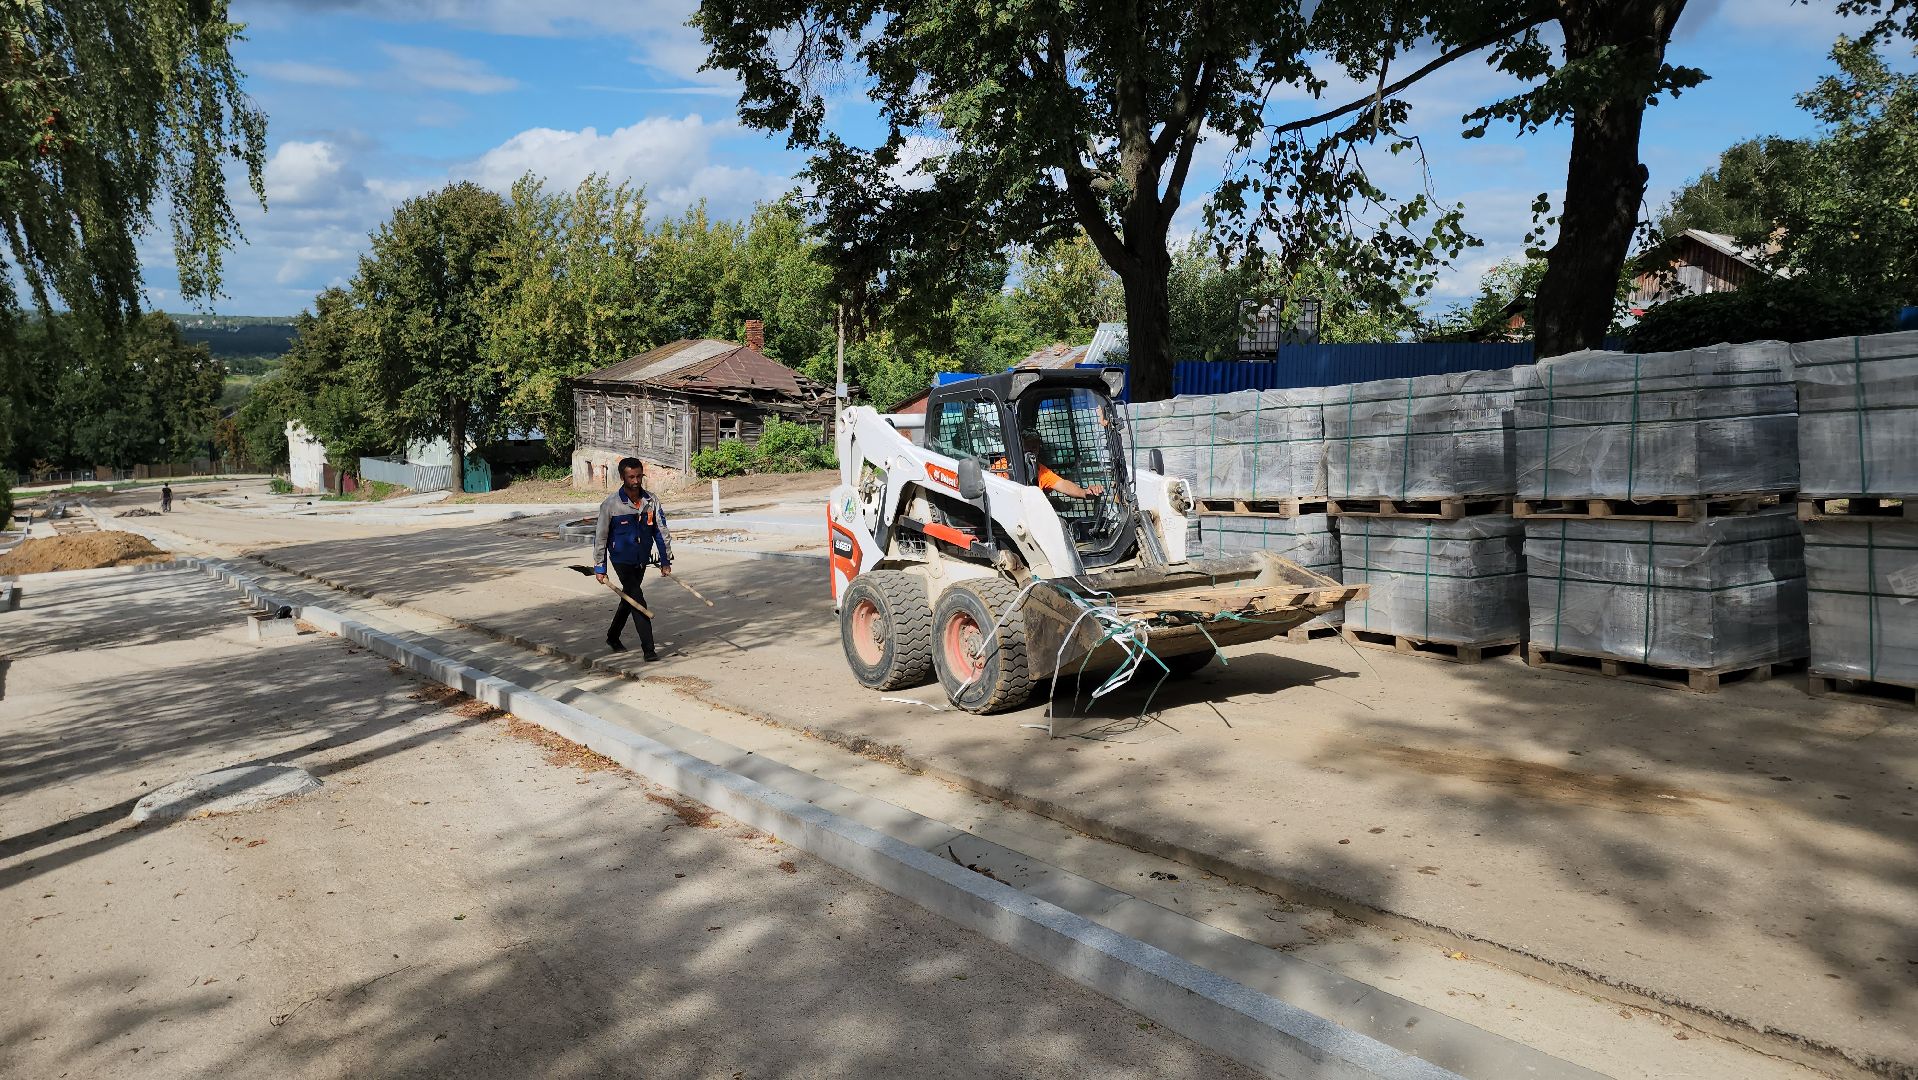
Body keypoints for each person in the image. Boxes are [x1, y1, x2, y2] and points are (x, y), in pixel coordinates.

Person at [592, 457, 672, 660]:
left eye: (638, 476)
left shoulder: (651, 501)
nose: (636, 481)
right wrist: (600, 567)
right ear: (622, 477)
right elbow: (601, 537)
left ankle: (612, 636)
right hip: (621, 560)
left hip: (642, 559)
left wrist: (665, 561)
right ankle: (649, 650)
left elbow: (661, 531)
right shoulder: (610, 505)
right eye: (631, 477)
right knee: (637, 599)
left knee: (628, 597)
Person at [991, 433, 1105, 500]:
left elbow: (1062, 484)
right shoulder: (1002, 466)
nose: (1031, 451)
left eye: (1034, 447)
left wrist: (1084, 492)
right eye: (1027, 446)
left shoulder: (1040, 470)